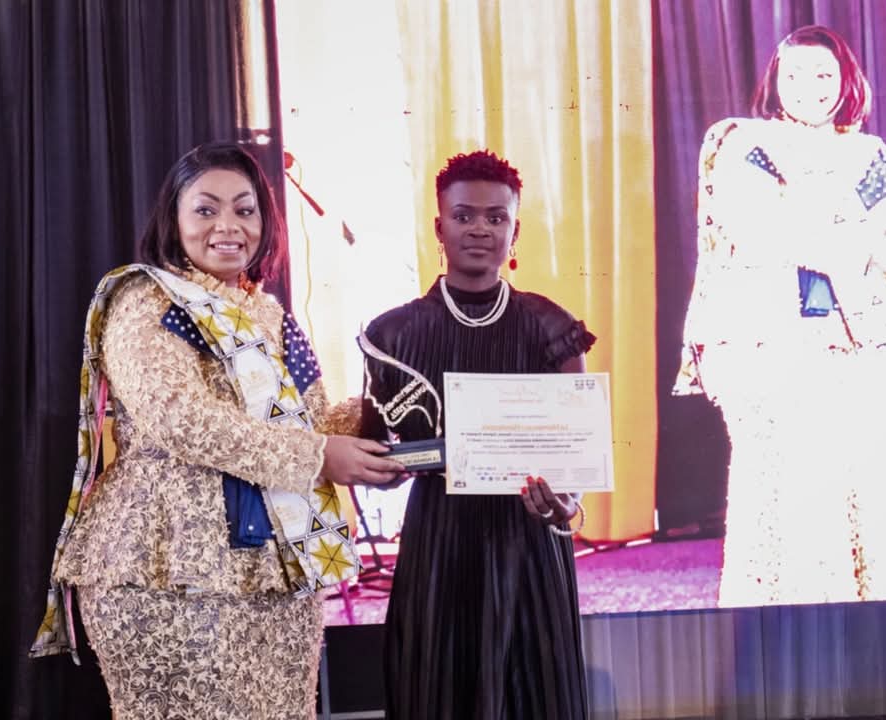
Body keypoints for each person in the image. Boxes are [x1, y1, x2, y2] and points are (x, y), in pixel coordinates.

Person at [29, 142, 404, 719]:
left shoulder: (270, 313)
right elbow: (181, 420)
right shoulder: (147, 301)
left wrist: (387, 418)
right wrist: (319, 456)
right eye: (206, 209)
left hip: (275, 568)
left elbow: (310, 420)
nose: (228, 226)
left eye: (244, 210)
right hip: (165, 566)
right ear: (173, 219)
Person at [359, 150, 594, 719]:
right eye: (464, 216)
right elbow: (377, 460)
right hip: (440, 541)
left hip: (528, 542)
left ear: (515, 231)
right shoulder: (393, 334)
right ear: (439, 227)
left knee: (537, 696)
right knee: (438, 693)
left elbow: (575, 458)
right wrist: (398, 464)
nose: (480, 229)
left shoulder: (551, 327)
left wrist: (565, 504)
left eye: (496, 217)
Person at [674, 25, 886, 606]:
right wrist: (855, 236)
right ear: (775, 80)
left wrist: (847, 238)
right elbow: (765, 230)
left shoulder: (872, 155)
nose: (810, 87)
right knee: (787, 492)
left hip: (858, 349)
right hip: (770, 347)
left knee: (867, 492)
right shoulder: (744, 144)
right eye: (795, 74)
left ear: (847, 81)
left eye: (825, 74)